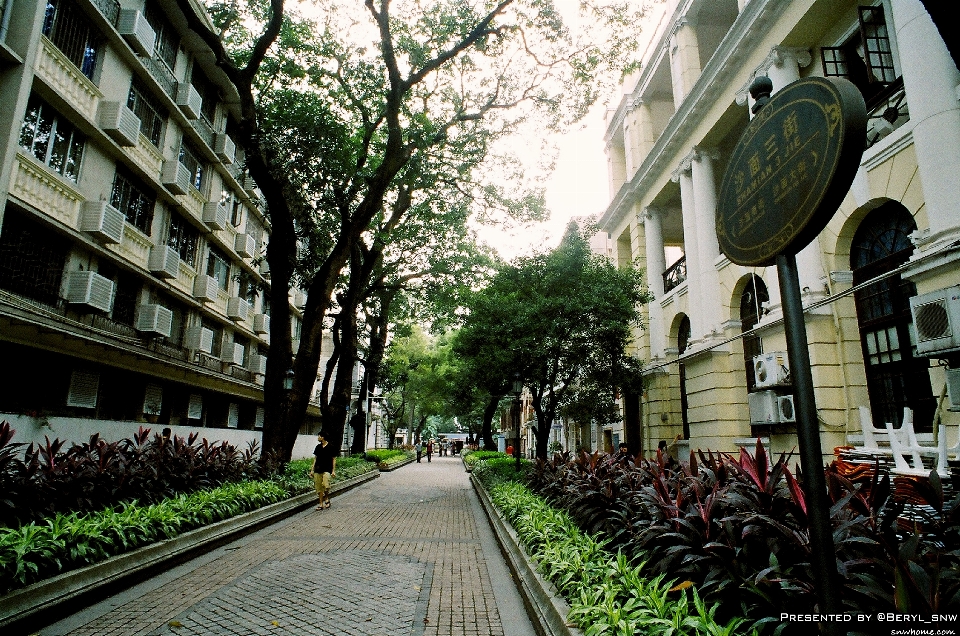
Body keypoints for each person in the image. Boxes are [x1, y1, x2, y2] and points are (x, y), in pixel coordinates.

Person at [309, 432, 337, 510]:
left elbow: (334, 459)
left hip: (327, 469)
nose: (318, 437)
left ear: (323, 437)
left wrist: (333, 470)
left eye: (319, 436)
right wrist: (312, 470)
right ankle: (321, 504)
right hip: (318, 469)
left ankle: (326, 498)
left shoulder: (331, 447)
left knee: (326, 485)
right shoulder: (318, 447)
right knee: (319, 487)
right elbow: (315, 459)